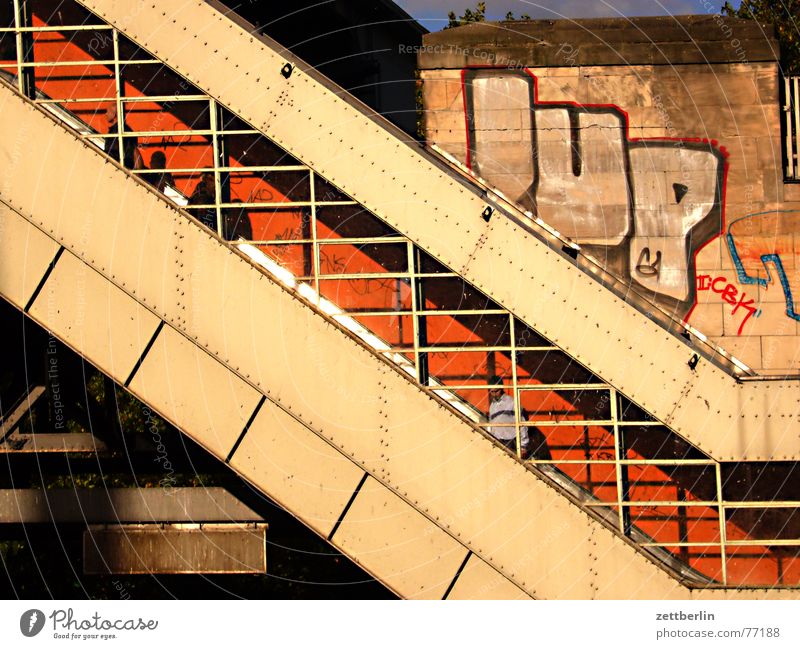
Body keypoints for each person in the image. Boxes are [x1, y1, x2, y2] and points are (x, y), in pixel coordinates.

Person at [487, 375, 529, 457]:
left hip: (511, 441)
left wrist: (523, 446)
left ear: (502, 388)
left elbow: (522, 423)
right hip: (497, 441)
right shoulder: (492, 405)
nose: (494, 394)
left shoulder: (512, 402)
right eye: (492, 392)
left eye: (496, 391)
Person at [104, 103, 142, 170]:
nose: (106, 114)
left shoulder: (120, 130)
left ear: (114, 114)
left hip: (119, 167)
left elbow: (133, 151)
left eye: (108, 111)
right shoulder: (120, 129)